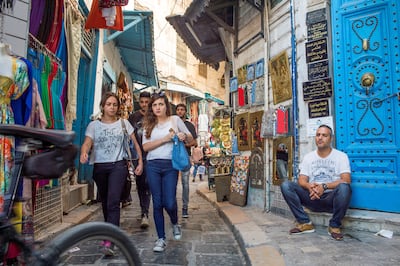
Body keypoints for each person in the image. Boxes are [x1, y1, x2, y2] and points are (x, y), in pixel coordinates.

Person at [80, 92, 143, 255]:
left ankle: (110, 240)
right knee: (106, 202)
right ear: (103, 106)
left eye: (115, 104)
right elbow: (87, 142)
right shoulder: (94, 126)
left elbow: (135, 144)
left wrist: (140, 162)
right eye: (109, 104)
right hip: (100, 167)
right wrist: (84, 152)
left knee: (113, 202)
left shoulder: (124, 124)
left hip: (118, 166)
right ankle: (109, 232)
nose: (112, 107)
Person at [280, 125, 352, 241]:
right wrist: (309, 186)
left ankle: (334, 226)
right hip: (312, 197)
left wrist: (324, 186)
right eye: (318, 135)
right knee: (286, 185)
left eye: (324, 135)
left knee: (344, 187)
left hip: (331, 199)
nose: (320, 138)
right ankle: (305, 222)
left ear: (331, 138)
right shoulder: (309, 157)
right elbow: (302, 180)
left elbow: (346, 179)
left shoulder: (341, 157)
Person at [142, 92, 193, 252]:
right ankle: (161, 238)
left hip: (170, 164)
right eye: (154, 105)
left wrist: (184, 135)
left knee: (169, 201)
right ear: (152, 107)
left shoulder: (175, 120)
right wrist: (165, 139)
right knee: (157, 203)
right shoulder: (148, 124)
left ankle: (175, 222)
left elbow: (191, 138)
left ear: (166, 106)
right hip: (153, 165)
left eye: (160, 104)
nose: (157, 108)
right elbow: (145, 147)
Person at [127, 91, 152, 229]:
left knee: (149, 183)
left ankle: (146, 212)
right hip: (137, 156)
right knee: (141, 183)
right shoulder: (133, 117)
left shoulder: (155, 116)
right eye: (142, 102)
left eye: (146, 102)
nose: (144, 104)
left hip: (152, 155)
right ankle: (144, 213)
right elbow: (129, 137)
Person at [175, 103, 197, 218]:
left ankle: (185, 207)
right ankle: (172, 207)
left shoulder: (189, 125)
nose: (180, 111)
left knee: (185, 182)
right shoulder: (172, 124)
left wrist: (186, 144)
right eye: (178, 110)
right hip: (173, 157)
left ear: (185, 111)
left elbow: (195, 142)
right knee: (172, 183)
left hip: (185, 157)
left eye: (182, 109)